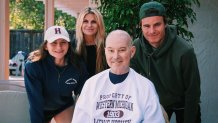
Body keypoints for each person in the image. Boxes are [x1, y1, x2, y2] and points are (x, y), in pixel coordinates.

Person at [71, 30, 165, 123]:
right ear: (105, 51)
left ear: (132, 52)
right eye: (111, 50)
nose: (116, 56)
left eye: (122, 50)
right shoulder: (91, 84)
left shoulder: (145, 86)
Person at [130, 1, 201, 123]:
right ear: (140, 26)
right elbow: (131, 80)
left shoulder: (185, 51)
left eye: (157, 24)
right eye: (146, 26)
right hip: (155, 102)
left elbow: (192, 91)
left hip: (184, 102)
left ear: (165, 24)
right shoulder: (135, 48)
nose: (152, 31)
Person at [24, 26, 88, 123]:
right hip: (42, 108)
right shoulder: (33, 66)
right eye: (54, 43)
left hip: (63, 107)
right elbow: (35, 102)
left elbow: (84, 94)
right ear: (46, 46)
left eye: (63, 42)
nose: (59, 47)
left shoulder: (77, 64)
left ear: (68, 45)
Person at [75, 7, 108, 78]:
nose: (89, 25)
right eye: (85, 21)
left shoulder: (107, 45)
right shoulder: (73, 45)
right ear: (80, 24)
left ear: (99, 24)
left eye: (94, 22)